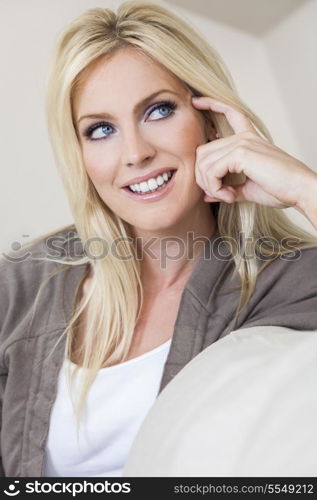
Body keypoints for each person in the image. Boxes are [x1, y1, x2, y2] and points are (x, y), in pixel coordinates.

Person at [1, 0, 317, 477]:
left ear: (210, 121)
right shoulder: (24, 283)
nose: (135, 153)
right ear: (80, 155)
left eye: (159, 110)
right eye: (101, 129)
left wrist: (303, 187)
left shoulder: (287, 277)